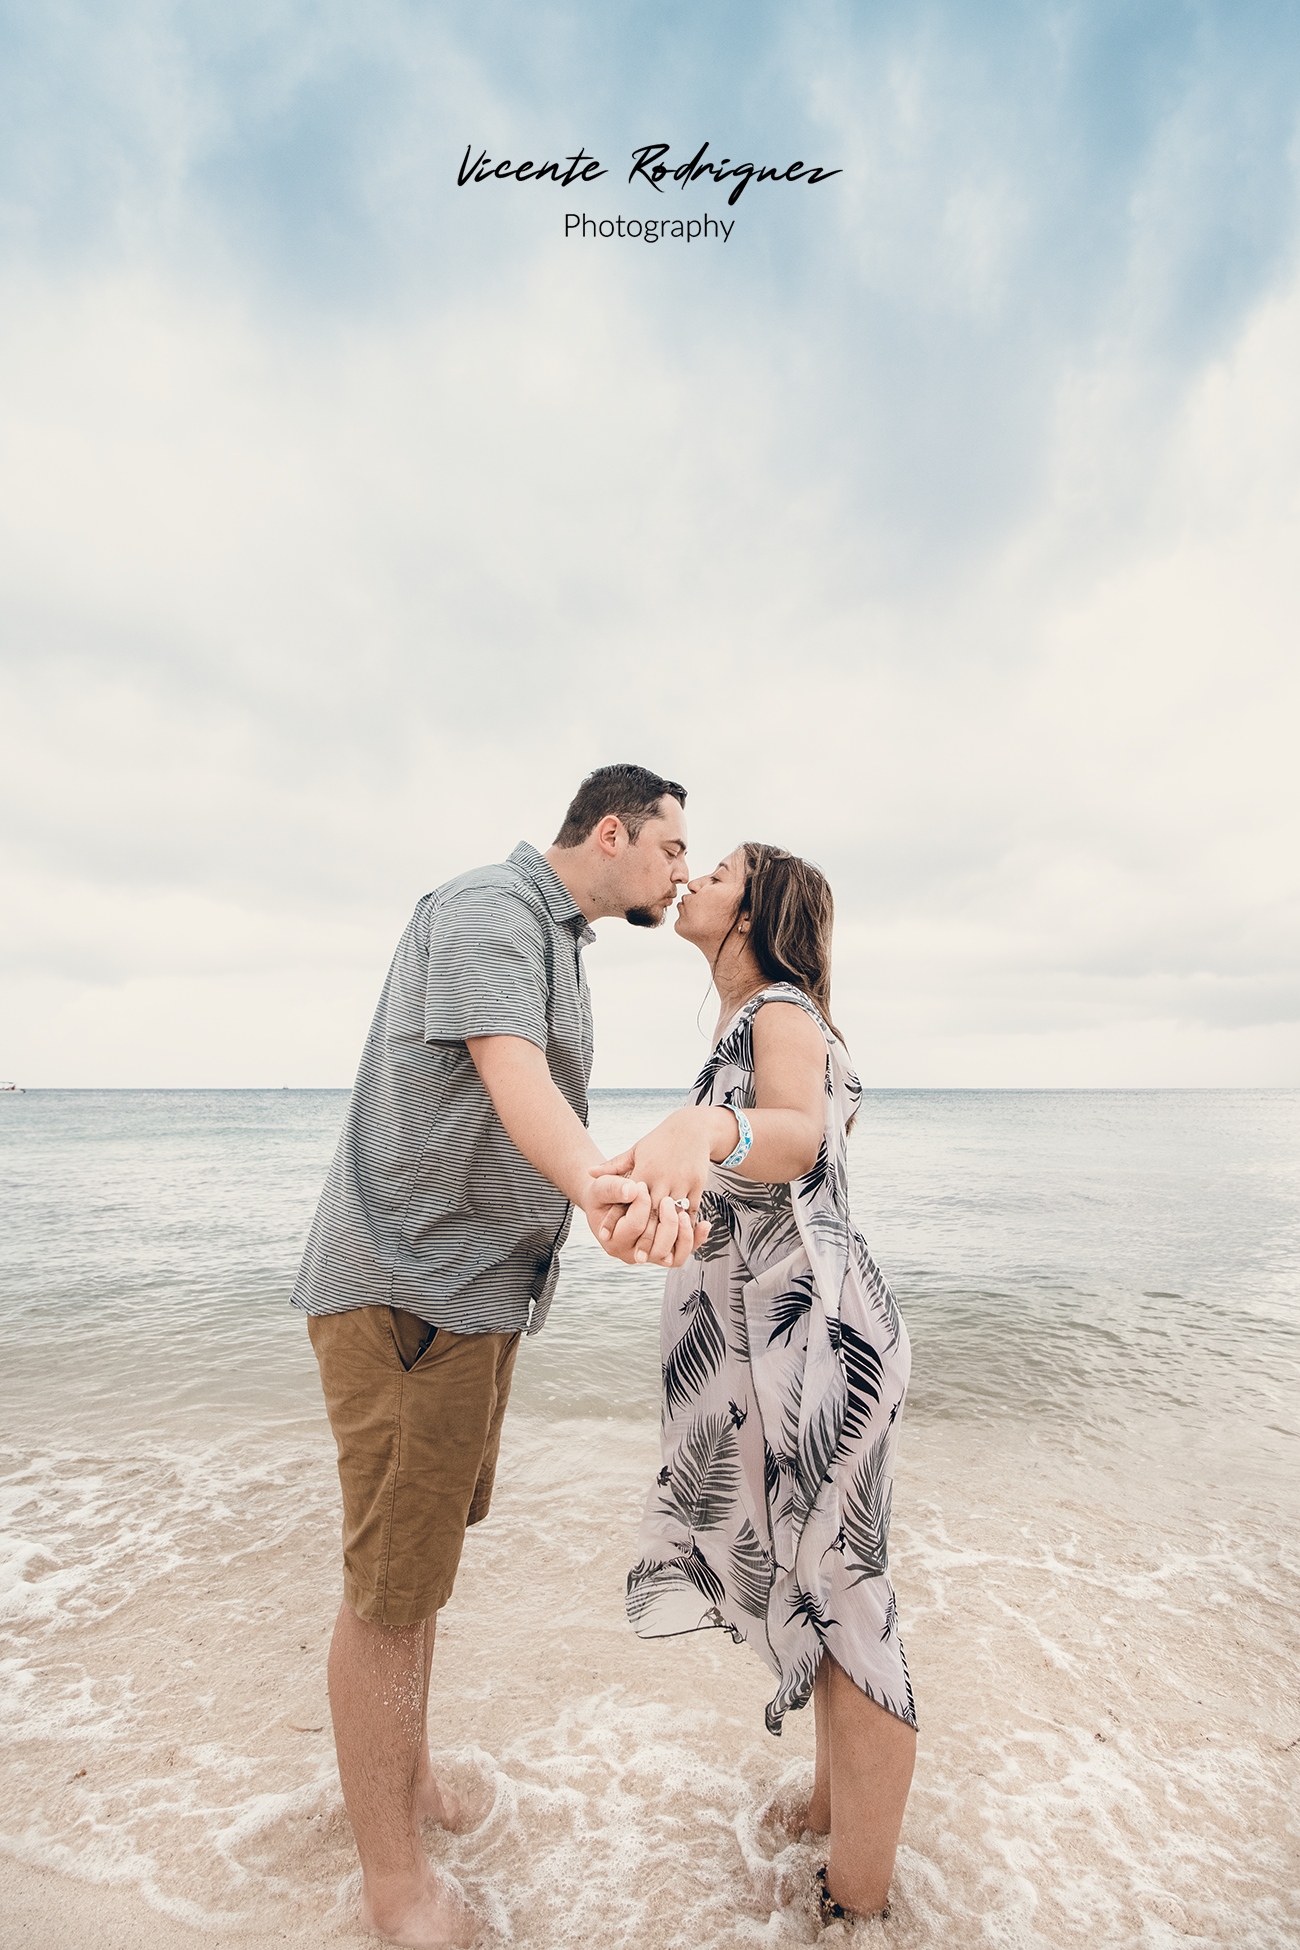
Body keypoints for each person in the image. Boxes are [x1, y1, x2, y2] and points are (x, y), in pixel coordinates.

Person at [292, 764, 707, 1950]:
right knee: (388, 1597)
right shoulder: (487, 908)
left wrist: (612, 1180)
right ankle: (393, 1885)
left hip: (468, 1302)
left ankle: (400, 1782)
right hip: (407, 1293)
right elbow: (510, 1071)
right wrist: (597, 1189)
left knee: (414, 1574)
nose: (679, 872)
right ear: (614, 831)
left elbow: (531, 1108)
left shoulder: (554, 936)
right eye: (673, 848)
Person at [599, 843, 916, 1925]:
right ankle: (832, 1809)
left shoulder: (778, 1008)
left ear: (760, 911)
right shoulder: (753, 1028)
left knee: (852, 1605)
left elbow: (791, 1136)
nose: (694, 877)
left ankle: (856, 1908)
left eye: (720, 869)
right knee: (819, 1593)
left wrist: (704, 1126)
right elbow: (747, 1209)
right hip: (785, 1354)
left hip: (820, 1357)